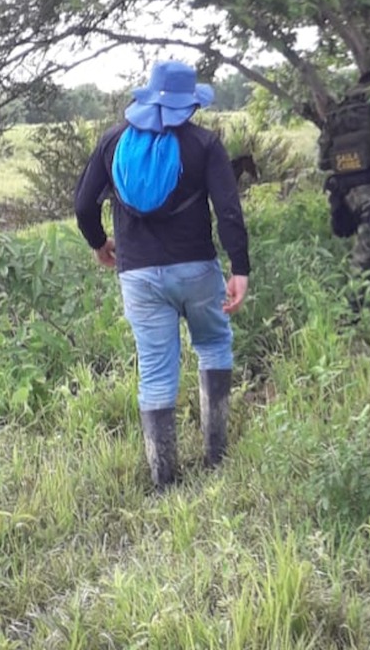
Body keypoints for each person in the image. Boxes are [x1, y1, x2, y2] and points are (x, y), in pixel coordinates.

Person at [74, 60, 250, 491]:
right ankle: (216, 455)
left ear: (148, 96)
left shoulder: (113, 141)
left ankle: (164, 479)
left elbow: (82, 206)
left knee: (155, 370)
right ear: (190, 104)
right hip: (196, 269)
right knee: (212, 344)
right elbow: (228, 210)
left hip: (137, 275)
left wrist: (100, 244)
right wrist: (240, 267)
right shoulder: (204, 144)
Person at [318, 71, 370, 296]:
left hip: (344, 193)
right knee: (364, 253)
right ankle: (352, 307)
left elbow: (323, 162)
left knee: (369, 246)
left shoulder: (336, 114)